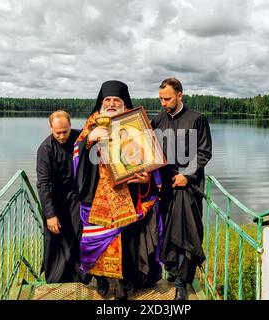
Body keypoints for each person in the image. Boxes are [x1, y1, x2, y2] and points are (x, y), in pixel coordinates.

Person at [73, 80, 162, 300]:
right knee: (97, 245)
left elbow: (148, 160)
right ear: (102, 103)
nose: (112, 104)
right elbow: (76, 156)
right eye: (108, 100)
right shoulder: (91, 125)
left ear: (124, 103)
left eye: (116, 100)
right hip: (95, 198)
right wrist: (89, 141)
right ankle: (102, 280)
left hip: (127, 196)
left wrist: (146, 178)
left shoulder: (134, 123)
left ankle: (126, 285)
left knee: (127, 244)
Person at [151, 77, 212, 300]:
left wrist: (187, 175)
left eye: (167, 99)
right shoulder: (157, 121)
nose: (163, 103)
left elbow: (204, 152)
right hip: (165, 187)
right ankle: (173, 271)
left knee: (186, 233)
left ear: (179, 95)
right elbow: (147, 150)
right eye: (160, 99)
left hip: (189, 188)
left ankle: (181, 284)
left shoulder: (197, 119)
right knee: (168, 231)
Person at [36, 110, 86, 283]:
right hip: (55, 199)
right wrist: (50, 215)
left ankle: (79, 278)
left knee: (79, 238)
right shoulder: (45, 149)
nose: (63, 136)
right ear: (51, 128)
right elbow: (43, 184)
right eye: (58, 132)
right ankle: (54, 281)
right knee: (54, 241)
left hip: (77, 198)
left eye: (65, 131)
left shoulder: (80, 138)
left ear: (70, 126)